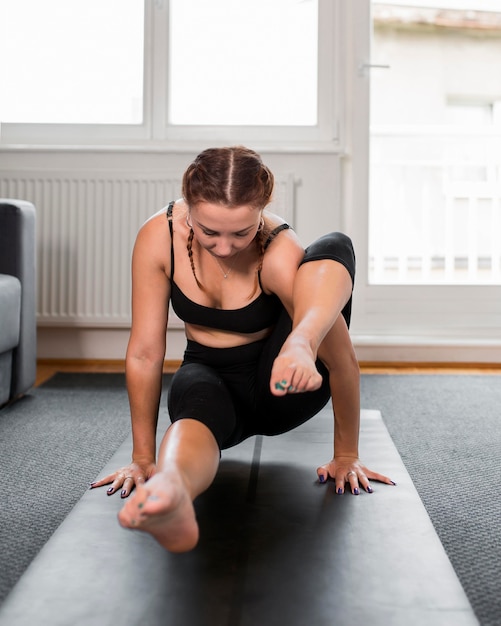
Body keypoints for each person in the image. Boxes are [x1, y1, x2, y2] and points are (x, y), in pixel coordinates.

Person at [90, 146, 394, 552]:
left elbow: (342, 362)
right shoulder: (158, 238)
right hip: (211, 376)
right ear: (189, 206)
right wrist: (143, 458)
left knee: (334, 244)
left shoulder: (278, 251)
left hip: (287, 382)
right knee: (192, 400)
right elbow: (145, 352)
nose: (225, 247)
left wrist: (346, 455)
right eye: (209, 231)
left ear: (261, 212)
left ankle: (300, 340)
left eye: (241, 233)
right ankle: (172, 493)